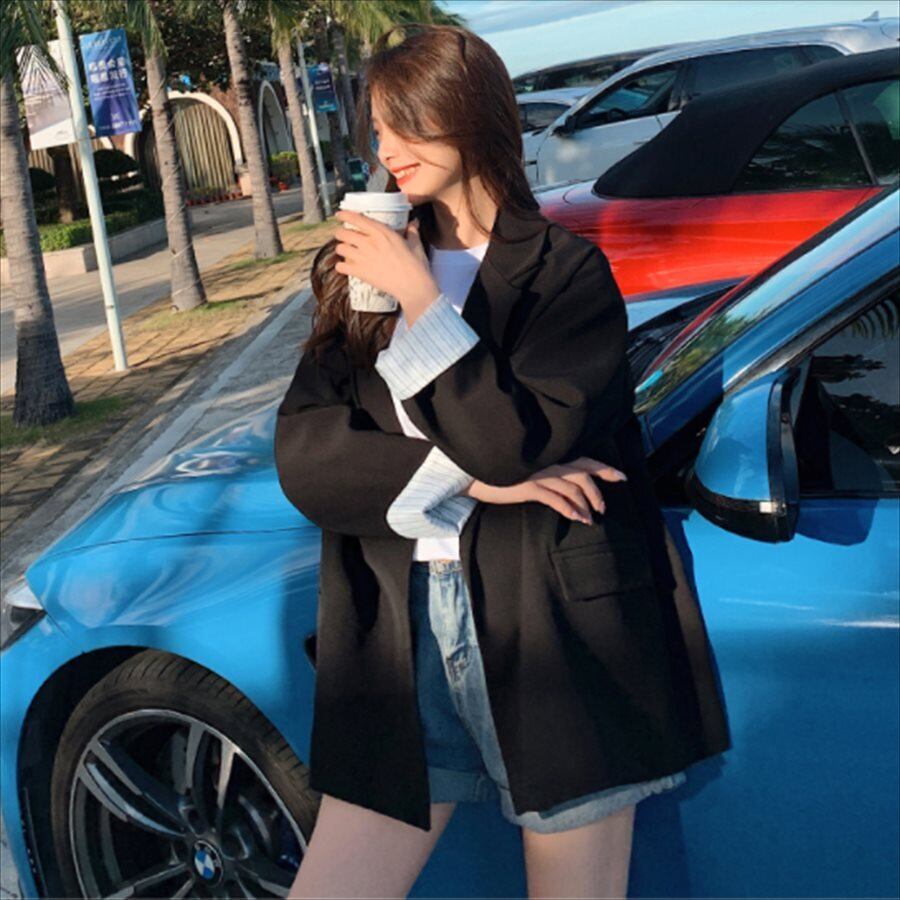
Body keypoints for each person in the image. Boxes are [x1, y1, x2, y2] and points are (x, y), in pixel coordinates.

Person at [275, 23, 731, 900]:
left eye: (408, 123)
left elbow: (511, 440)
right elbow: (307, 455)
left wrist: (421, 298)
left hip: (553, 623)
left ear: (472, 115)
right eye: (378, 129)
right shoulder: (360, 272)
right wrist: (475, 484)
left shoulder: (564, 274)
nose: (387, 150)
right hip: (396, 625)